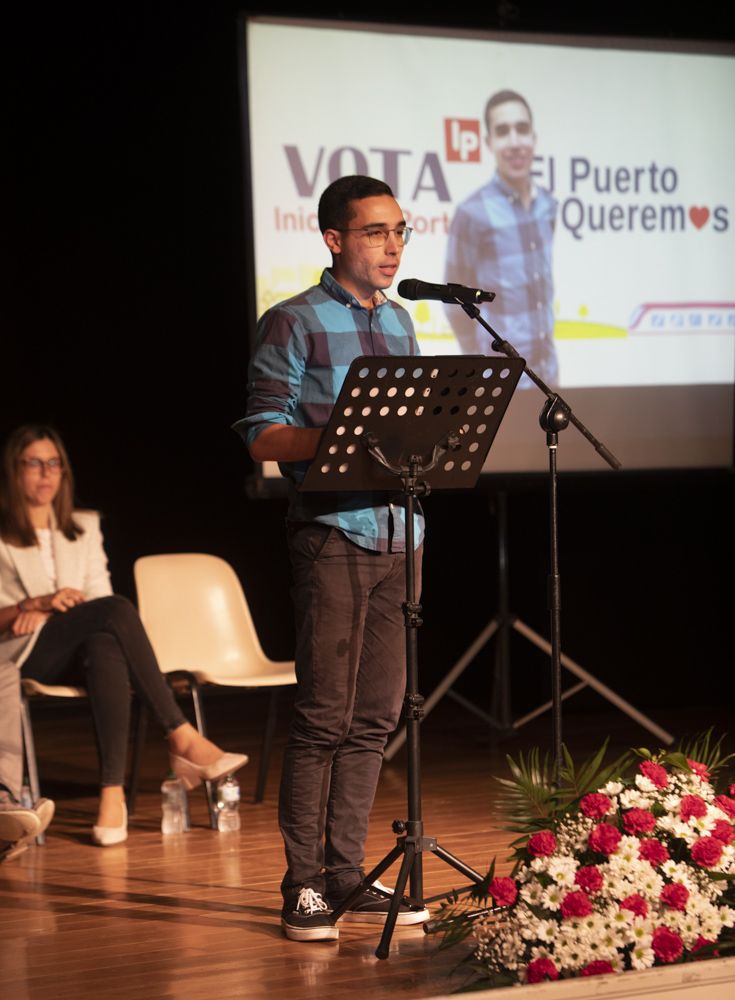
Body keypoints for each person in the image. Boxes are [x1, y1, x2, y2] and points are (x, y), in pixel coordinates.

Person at [234, 175, 429, 941]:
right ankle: (303, 885)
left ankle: (347, 875)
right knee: (323, 717)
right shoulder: (293, 323)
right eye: (376, 232)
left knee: (377, 717)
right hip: (332, 532)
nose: (391, 246)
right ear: (334, 239)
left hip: (400, 536)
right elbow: (261, 434)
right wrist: (346, 435)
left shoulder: (406, 322)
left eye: (399, 232)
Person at [0, 424, 248, 852]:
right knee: (115, 609)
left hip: (79, 643)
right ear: (14, 471)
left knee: (106, 641)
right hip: (25, 650)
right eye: (34, 463)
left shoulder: (84, 526)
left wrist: (69, 608)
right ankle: (182, 737)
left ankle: (111, 795)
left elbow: (96, 601)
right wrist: (35, 604)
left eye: (54, 463)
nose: (46, 473)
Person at [444, 89, 558, 385]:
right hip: (502, 380)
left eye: (522, 129)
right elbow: (452, 300)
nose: (515, 142)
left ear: (534, 136)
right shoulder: (472, 213)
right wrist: (479, 365)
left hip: (549, 375)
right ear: (489, 142)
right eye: (503, 131)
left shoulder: (548, 204)